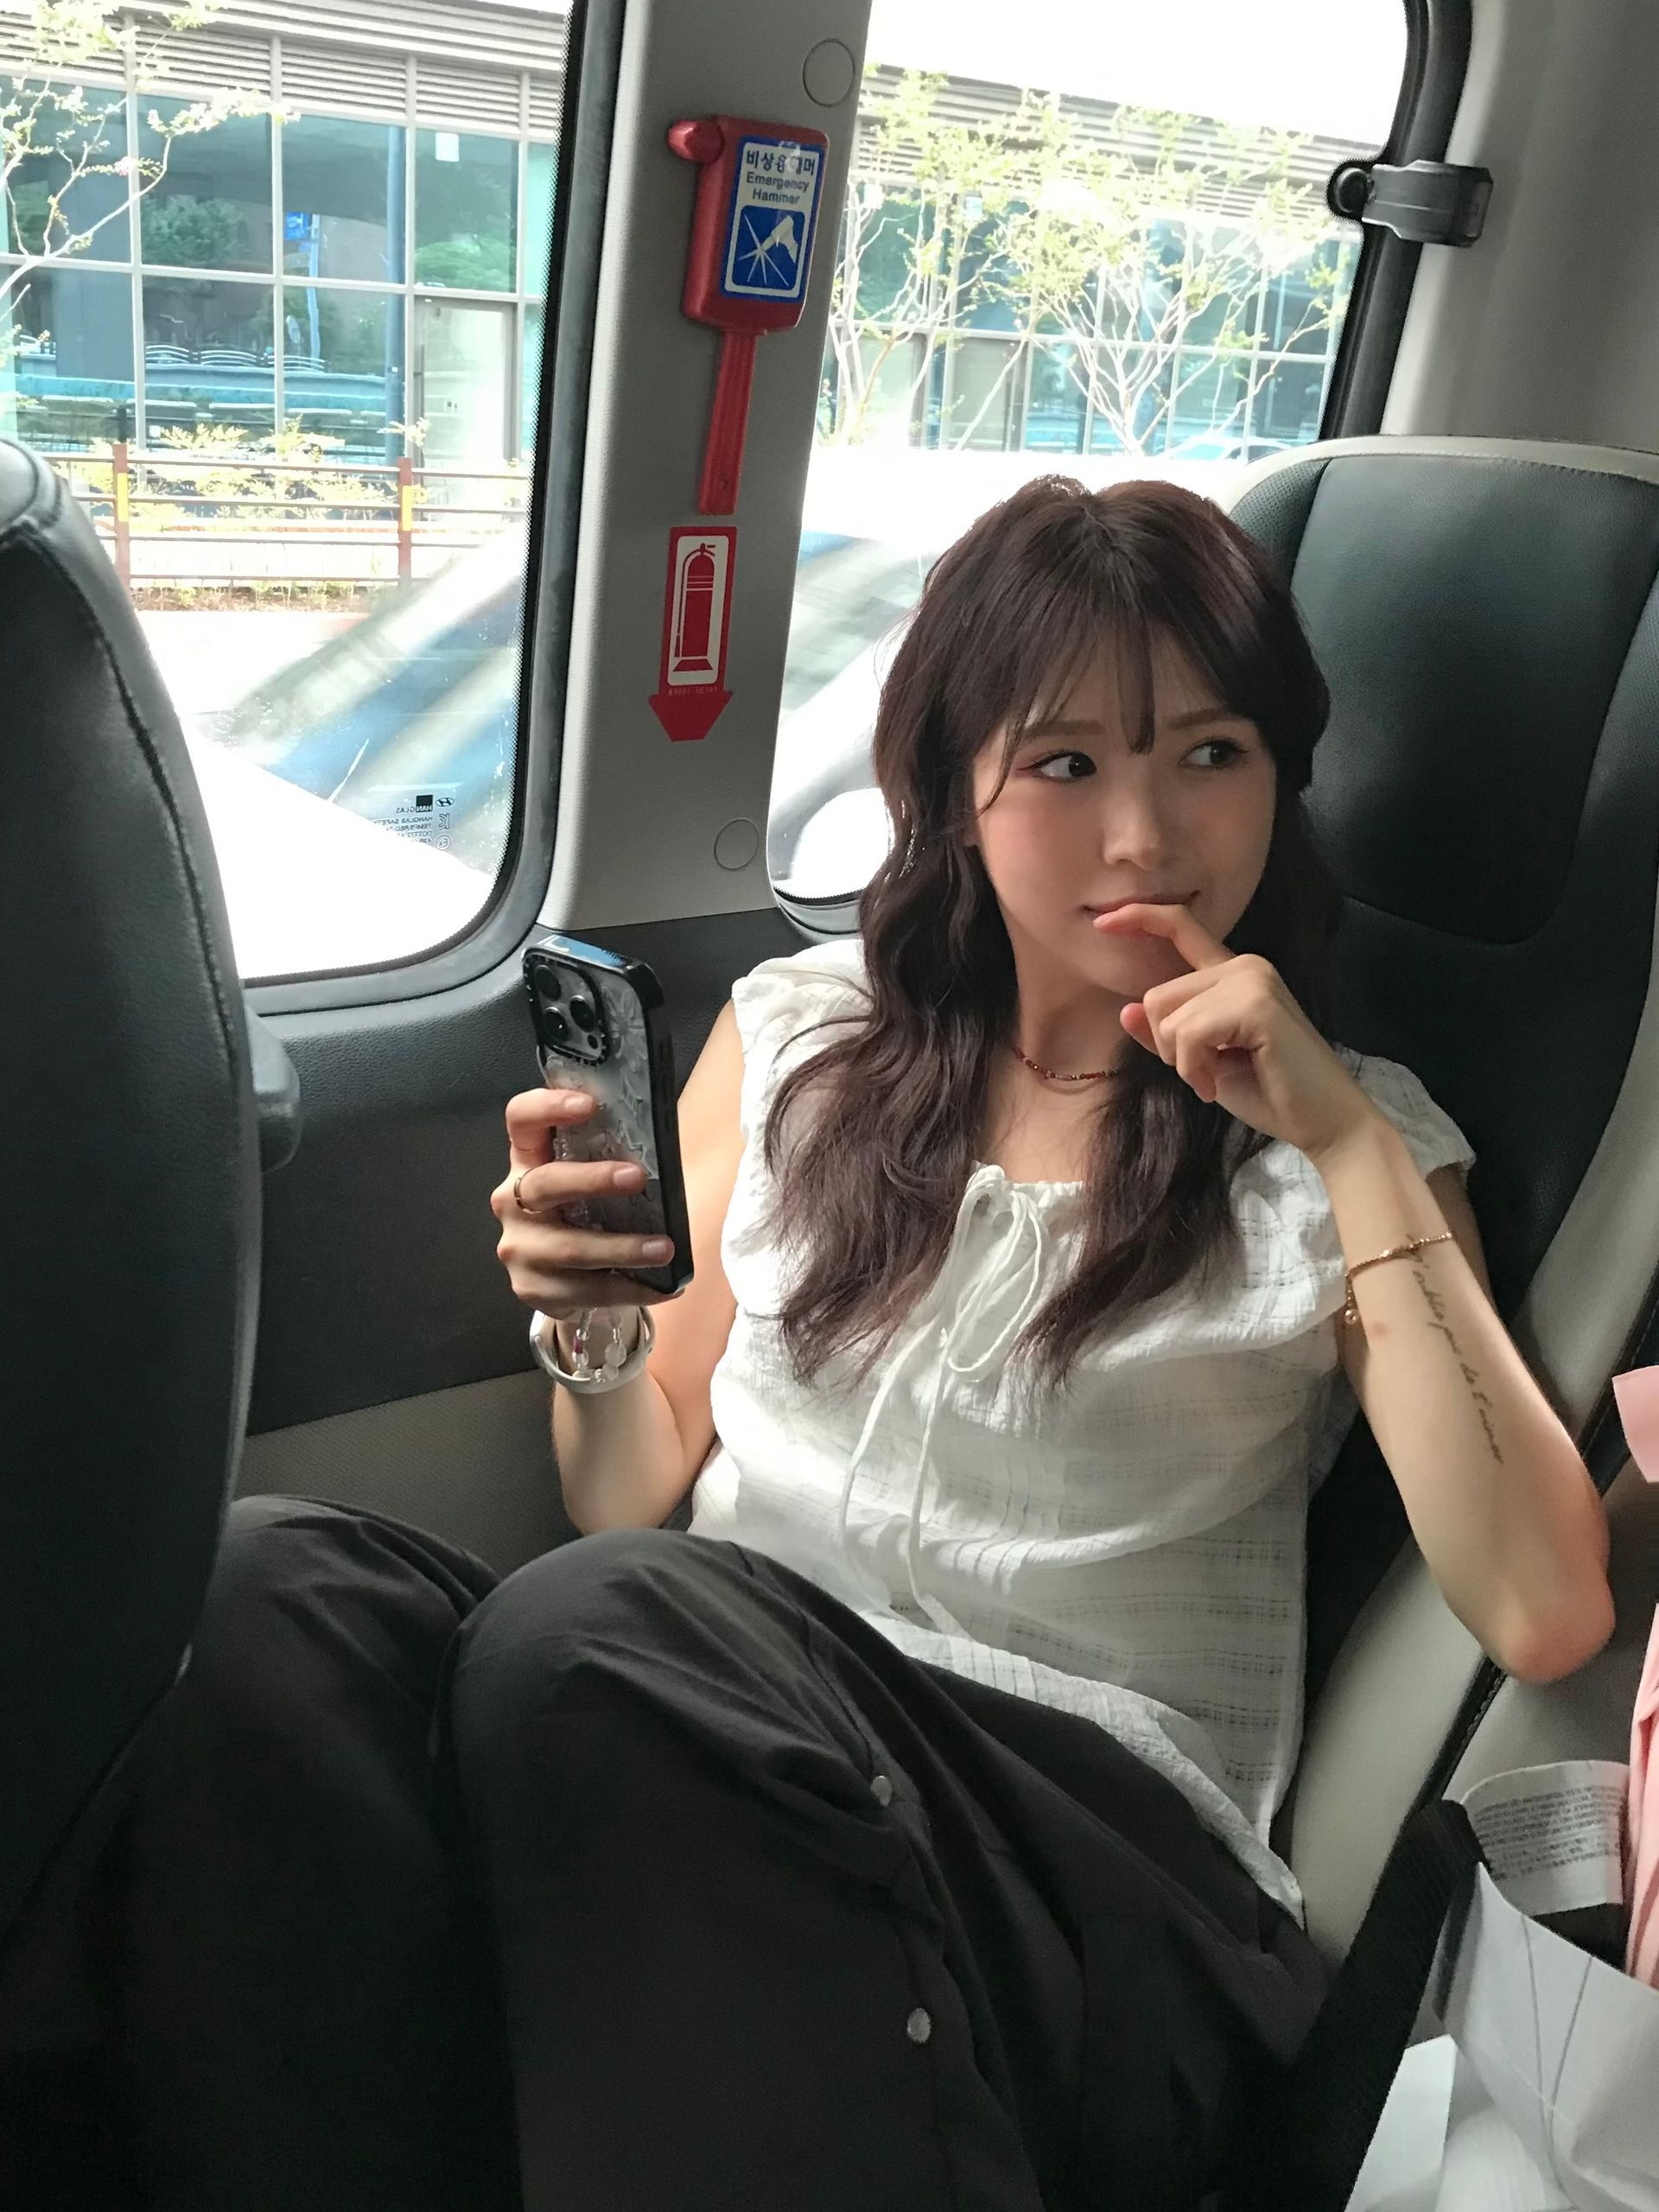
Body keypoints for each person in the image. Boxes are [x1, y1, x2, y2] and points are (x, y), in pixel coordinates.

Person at [90, 476, 1614, 2212]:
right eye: (1067, 765)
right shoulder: (804, 1035)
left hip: (1083, 1869)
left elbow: (1542, 1601)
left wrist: (1339, 1147)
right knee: (259, 1598)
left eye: (1213, 754)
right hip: (715, 1729)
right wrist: (590, 1324)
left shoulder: (1356, 1149)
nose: (1148, 837)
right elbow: (628, 1488)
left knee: (610, 1628)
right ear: (954, 789)